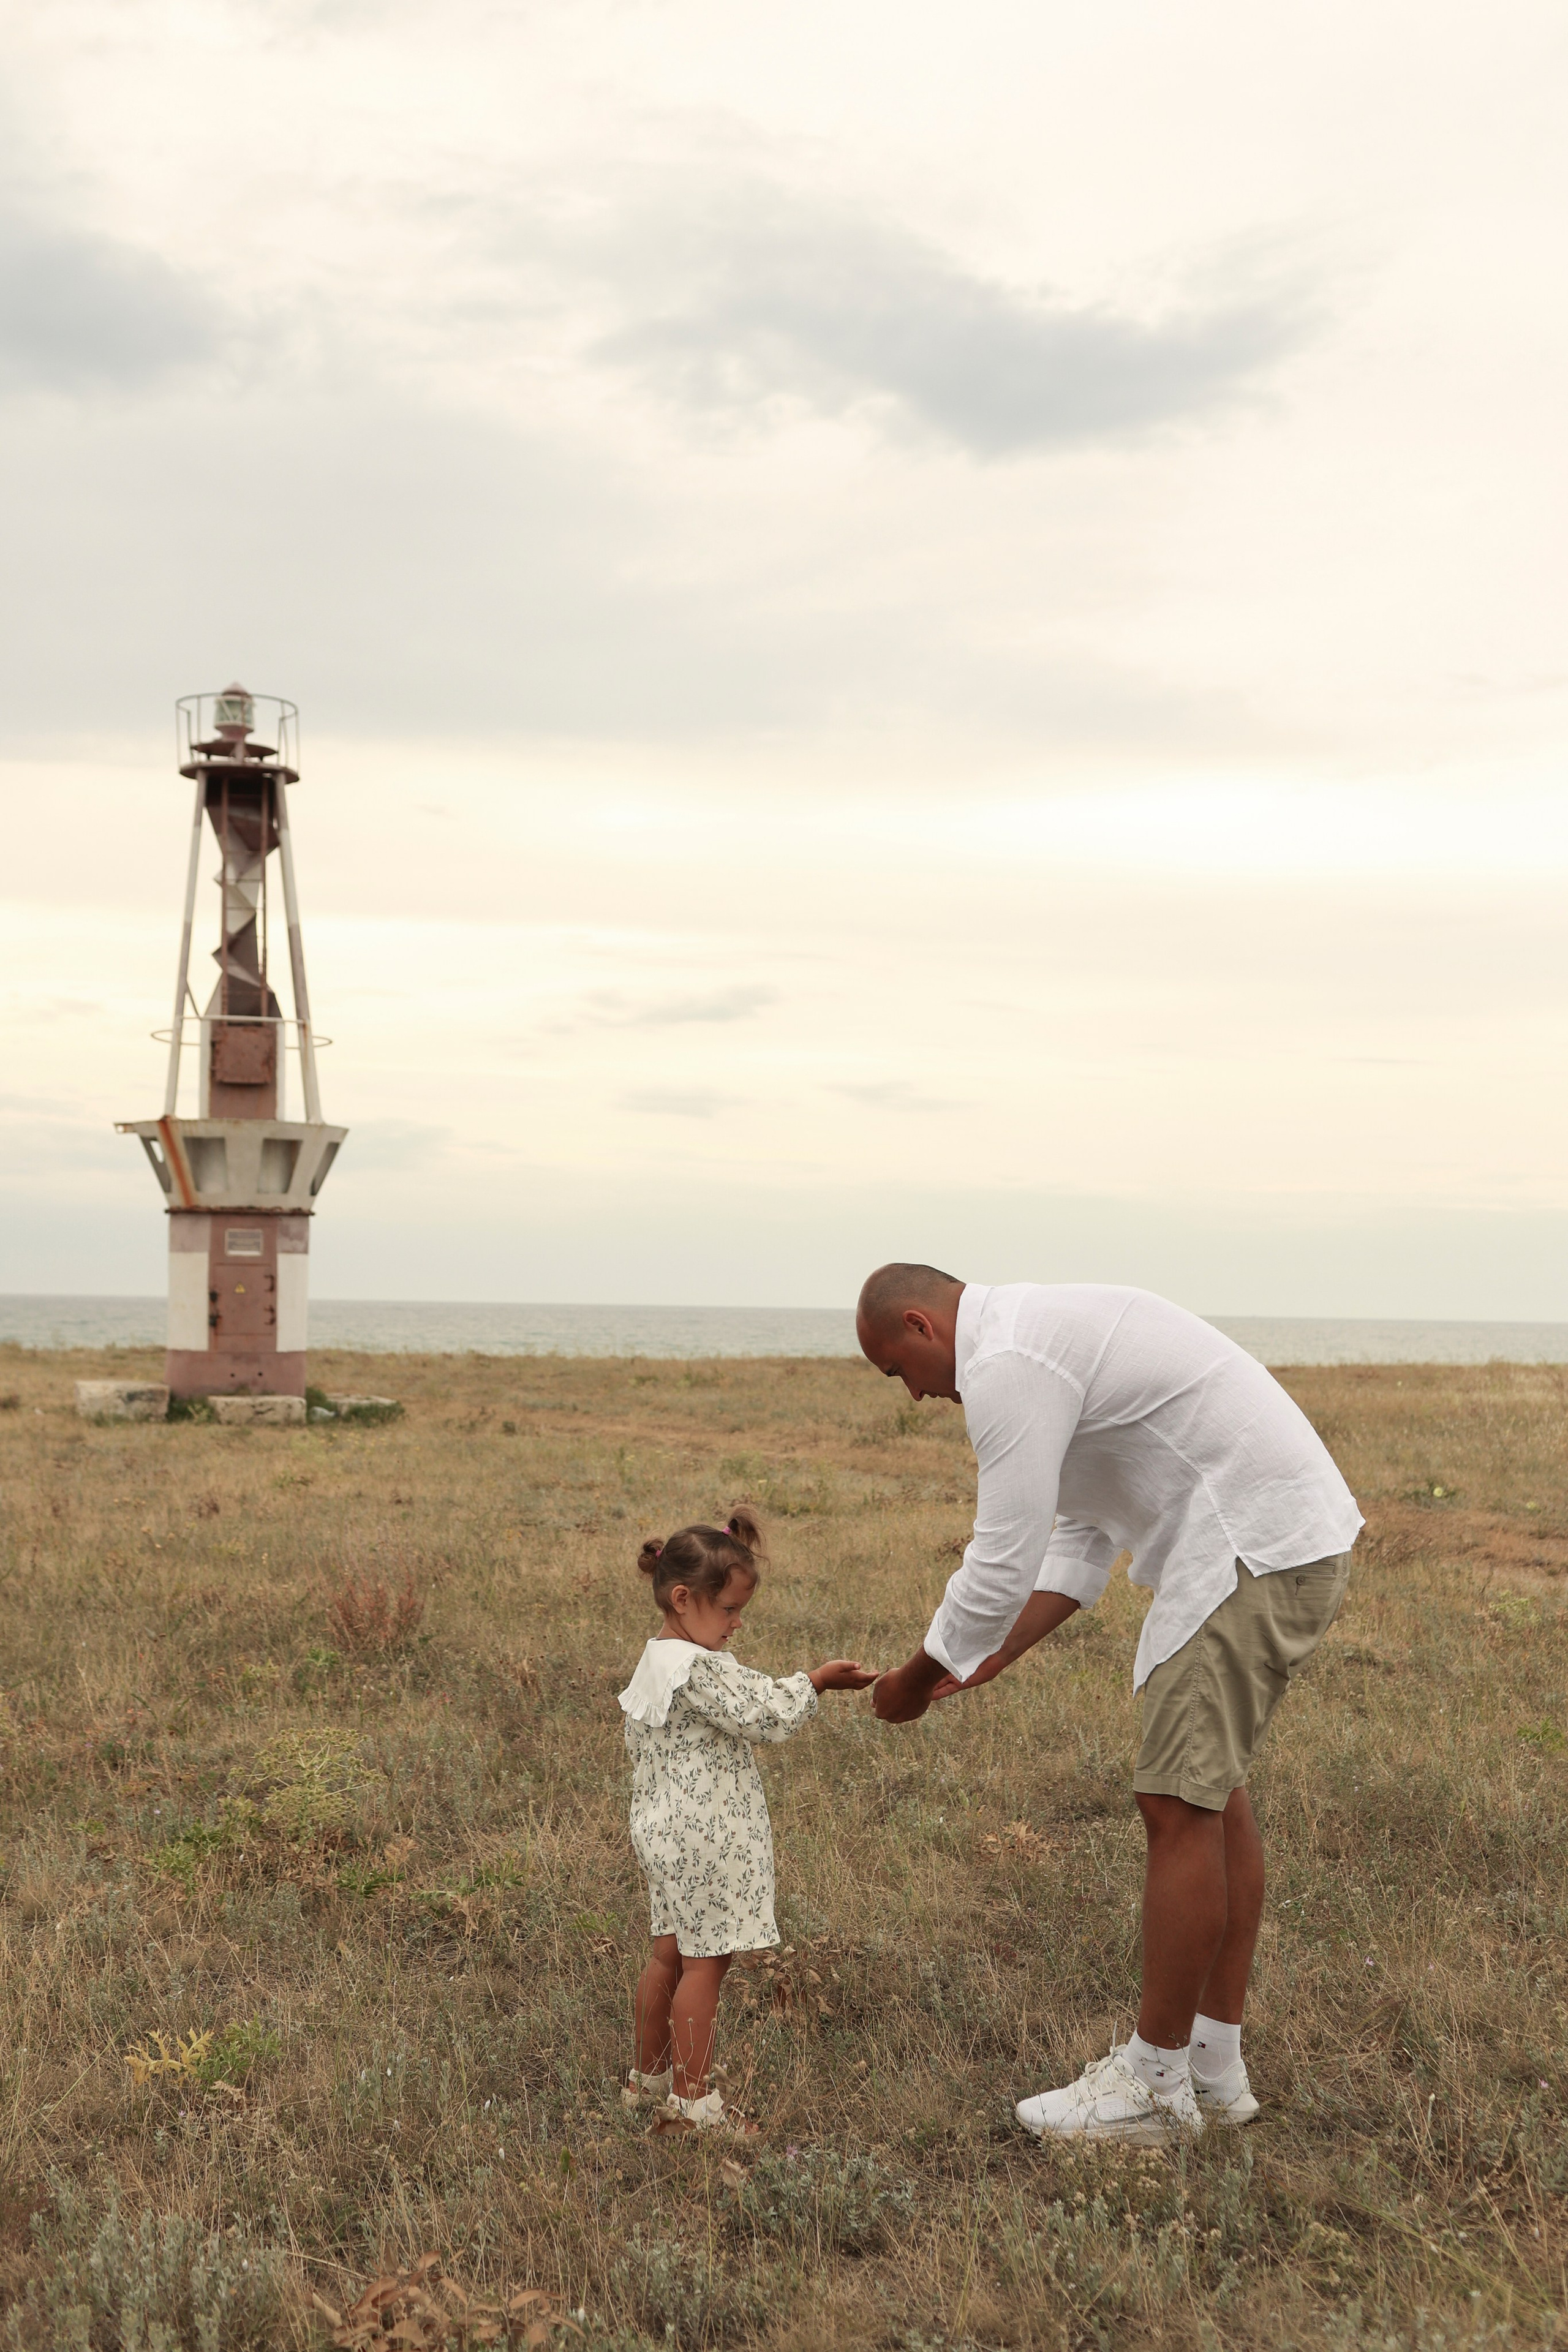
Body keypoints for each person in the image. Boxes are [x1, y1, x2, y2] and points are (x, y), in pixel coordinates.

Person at [859, 1266, 1361, 2146]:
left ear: (920, 1324)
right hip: (1272, 1537)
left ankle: (1154, 2085)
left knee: (1175, 1804)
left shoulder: (1007, 1360)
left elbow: (1001, 1557)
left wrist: (916, 1674)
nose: (914, 1395)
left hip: (1247, 1544)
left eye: (897, 1370)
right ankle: (1212, 2071)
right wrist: (998, 1651)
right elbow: (1079, 1531)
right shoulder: (1036, 1338)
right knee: (1209, 1795)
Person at [618, 1507, 878, 2135]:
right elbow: (763, 1715)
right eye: (729, 1609)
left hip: (661, 1832)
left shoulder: (657, 1658)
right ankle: (692, 2104)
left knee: (668, 1957)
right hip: (703, 1837)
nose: (738, 1623)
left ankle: (646, 2082)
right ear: (684, 1599)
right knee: (707, 1963)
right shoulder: (698, 1669)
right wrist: (815, 1683)